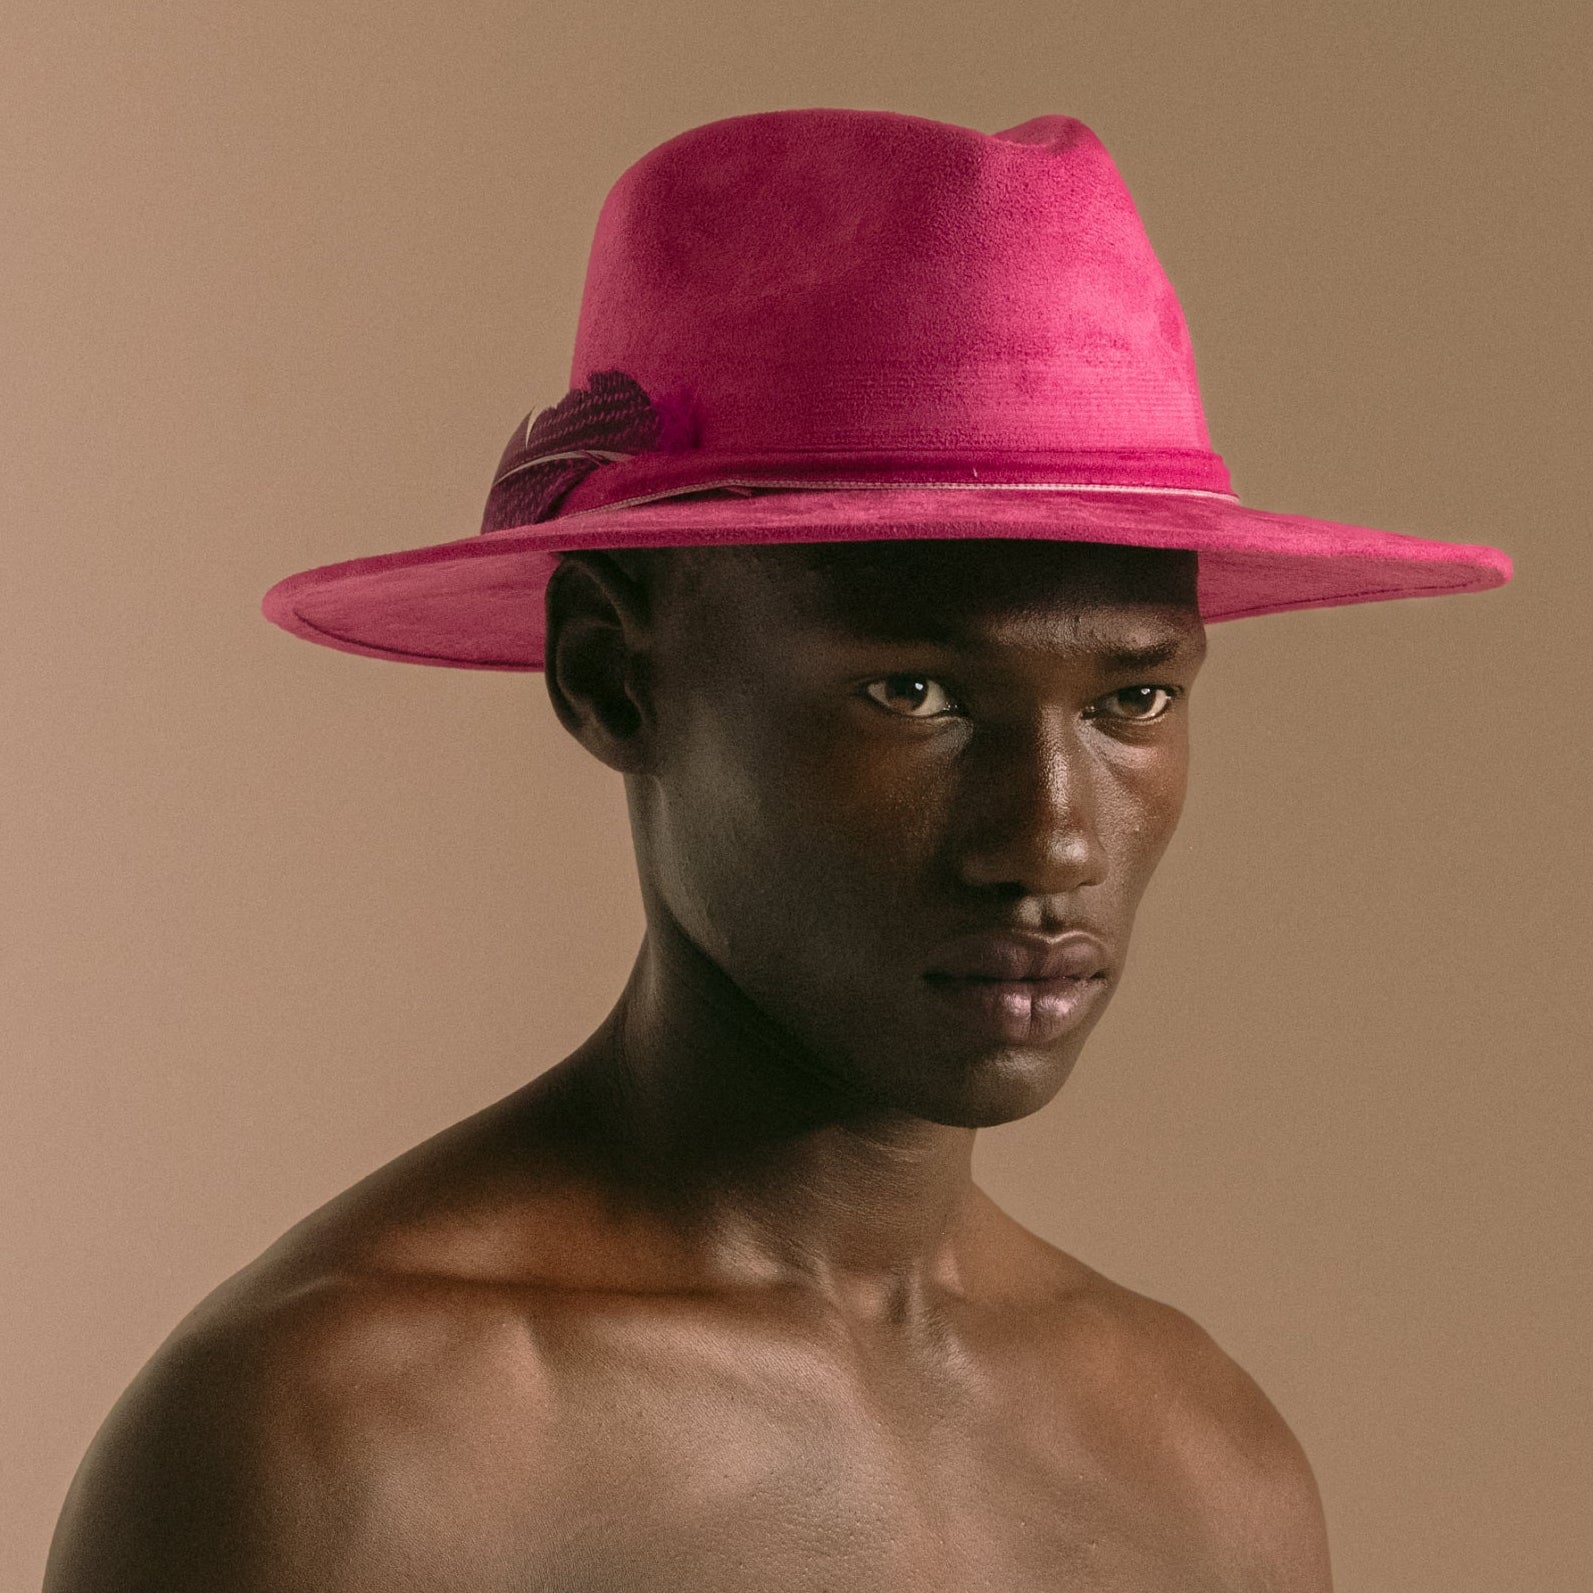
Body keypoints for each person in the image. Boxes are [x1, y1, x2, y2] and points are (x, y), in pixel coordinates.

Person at [45, 108, 1509, 1593]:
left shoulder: (1202, 1462)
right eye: (913, 692)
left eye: (1131, 698)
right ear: (616, 678)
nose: (1052, 836)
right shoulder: (344, 1450)